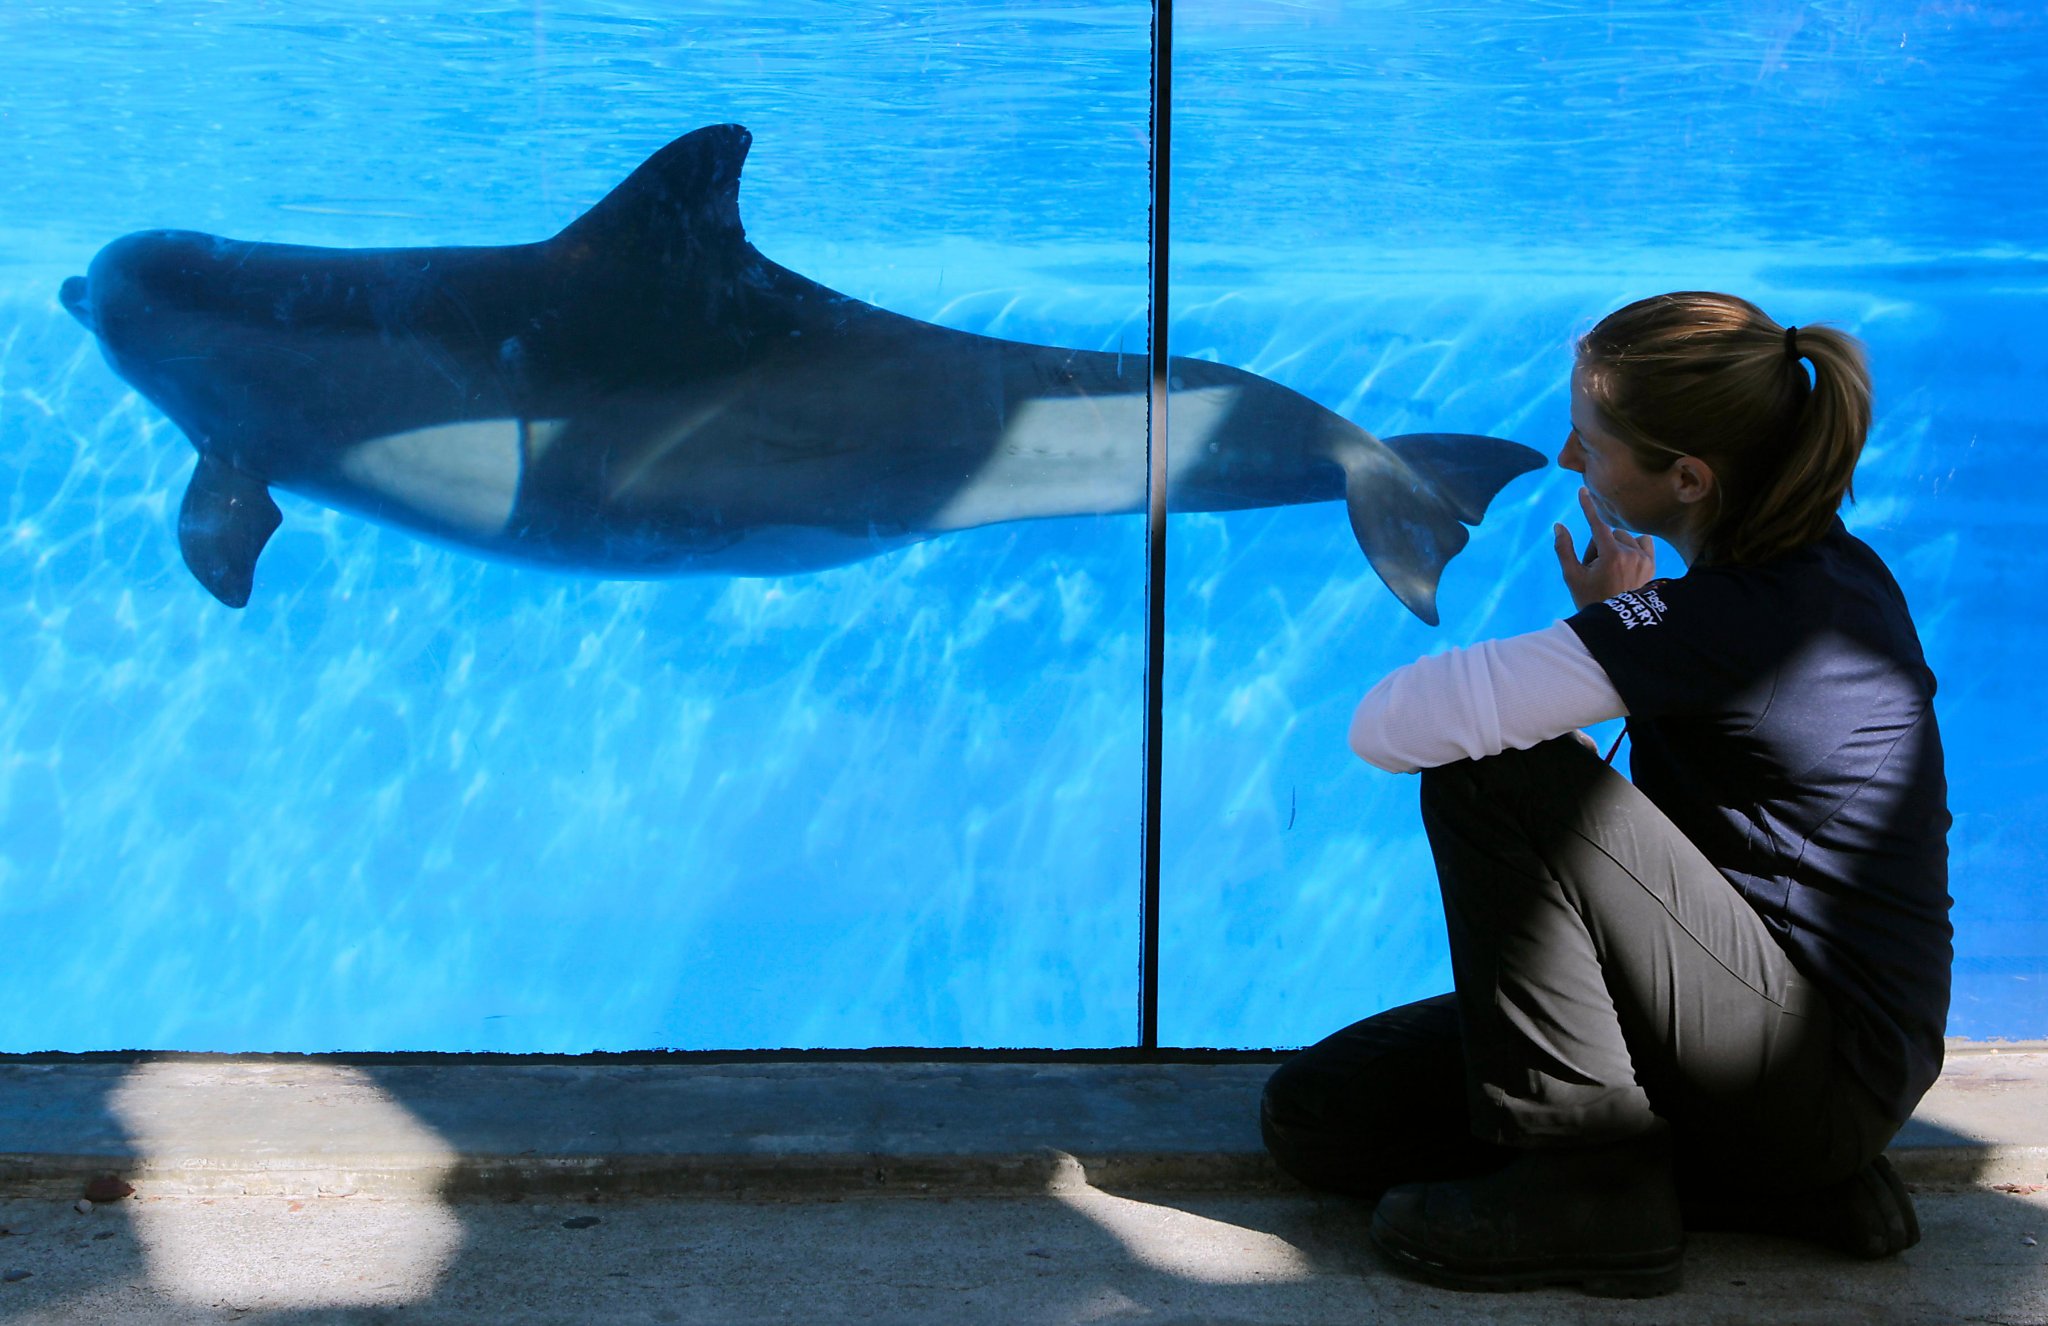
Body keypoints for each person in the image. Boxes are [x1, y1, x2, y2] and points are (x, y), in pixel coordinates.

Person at [1261, 292, 1952, 1298]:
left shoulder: (1732, 621)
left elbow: (1391, 726)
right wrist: (1619, 635)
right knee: (1321, 1116)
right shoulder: (1822, 577)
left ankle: (1587, 1189)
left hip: (1803, 1066)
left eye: (1591, 439)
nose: (1570, 460)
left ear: (1686, 477)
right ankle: (1764, 1183)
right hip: (1804, 1057)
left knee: (1487, 768)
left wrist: (1612, 644)